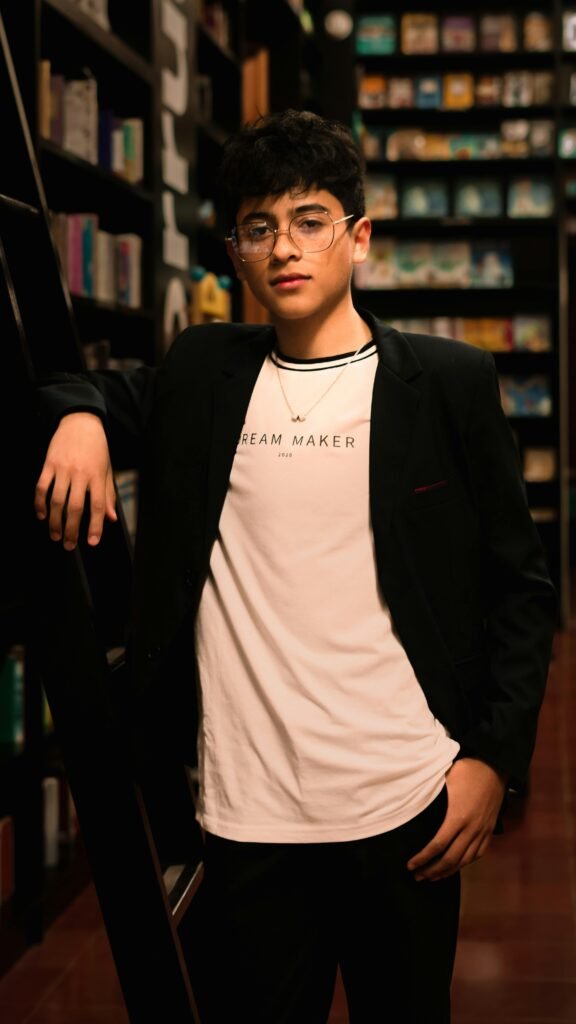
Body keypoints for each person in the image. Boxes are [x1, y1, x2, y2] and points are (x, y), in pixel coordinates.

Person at [34, 110, 557, 1023]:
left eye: (310, 221)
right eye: (259, 227)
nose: (285, 248)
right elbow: (90, 389)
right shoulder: (203, 371)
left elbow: (521, 590)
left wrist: (492, 761)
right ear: (234, 250)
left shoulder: (449, 384)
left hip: (406, 801)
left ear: (358, 237)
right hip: (245, 818)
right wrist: (80, 419)